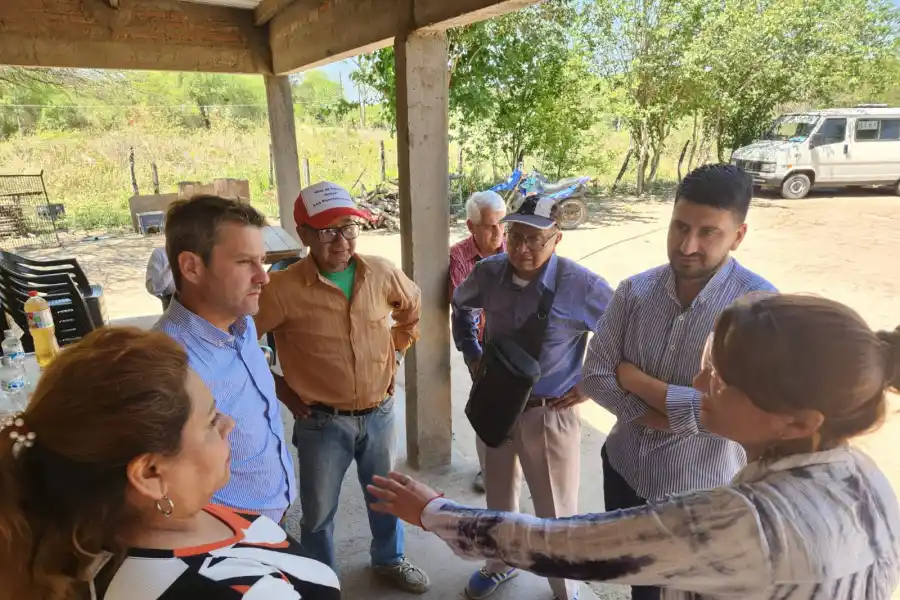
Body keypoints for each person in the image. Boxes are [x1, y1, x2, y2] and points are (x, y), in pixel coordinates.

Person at [369, 294, 900, 600]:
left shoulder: (755, 522)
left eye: (721, 381)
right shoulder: (864, 478)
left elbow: (569, 545)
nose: (698, 380)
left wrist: (436, 513)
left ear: (796, 421)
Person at [0, 327, 340, 600]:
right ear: (150, 474)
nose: (229, 424)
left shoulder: (107, 526)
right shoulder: (223, 590)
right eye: (210, 421)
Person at [581, 164, 776, 599]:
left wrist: (634, 380)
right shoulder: (634, 292)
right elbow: (594, 376)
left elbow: (747, 412)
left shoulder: (758, 309)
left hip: (704, 489)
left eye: (709, 233)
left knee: (694, 590)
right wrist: (654, 417)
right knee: (642, 585)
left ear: (738, 236)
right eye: (680, 227)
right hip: (625, 470)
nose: (688, 245)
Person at [253, 181, 429, 593]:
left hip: (380, 414)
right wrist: (283, 391)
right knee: (317, 512)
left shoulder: (382, 273)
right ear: (304, 235)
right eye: (327, 230)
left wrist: (396, 355)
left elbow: (412, 312)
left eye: (349, 227)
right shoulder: (281, 290)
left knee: (386, 499)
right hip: (320, 422)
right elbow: (243, 348)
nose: (341, 240)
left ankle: (389, 559)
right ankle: (320, 579)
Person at [451, 195, 613, 600]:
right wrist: (471, 352)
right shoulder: (488, 272)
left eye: (535, 240)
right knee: (498, 496)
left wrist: (590, 383)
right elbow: (461, 305)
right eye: (515, 236)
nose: (522, 248)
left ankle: (565, 587)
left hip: (548, 412)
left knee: (556, 511)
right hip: (494, 404)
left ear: (556, 239)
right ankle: (499, 563)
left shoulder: (582, 286)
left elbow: (620, 335)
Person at [155, 195, 296, 524]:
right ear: (192, 267)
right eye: (245, 262)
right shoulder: (167, 365)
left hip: (273, 507)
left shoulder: (242, 322)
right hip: (228, 531)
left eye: (262, 260)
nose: (264, 277)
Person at [449, 190, 507, 494]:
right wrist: (474, 357)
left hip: (514, 341)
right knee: (487, 407)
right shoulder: (459, 256)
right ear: (471, 227)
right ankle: (488, 468)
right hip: (481, 343)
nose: (498, 233)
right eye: (489, 226)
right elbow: (464, 307)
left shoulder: (515, 247)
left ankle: (511, 463)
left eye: (501, 224)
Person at [145, 245, 175, 310]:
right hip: (171, 306)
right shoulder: (160, 253)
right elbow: (153, 288)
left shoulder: (199, 251)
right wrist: (171, 265)